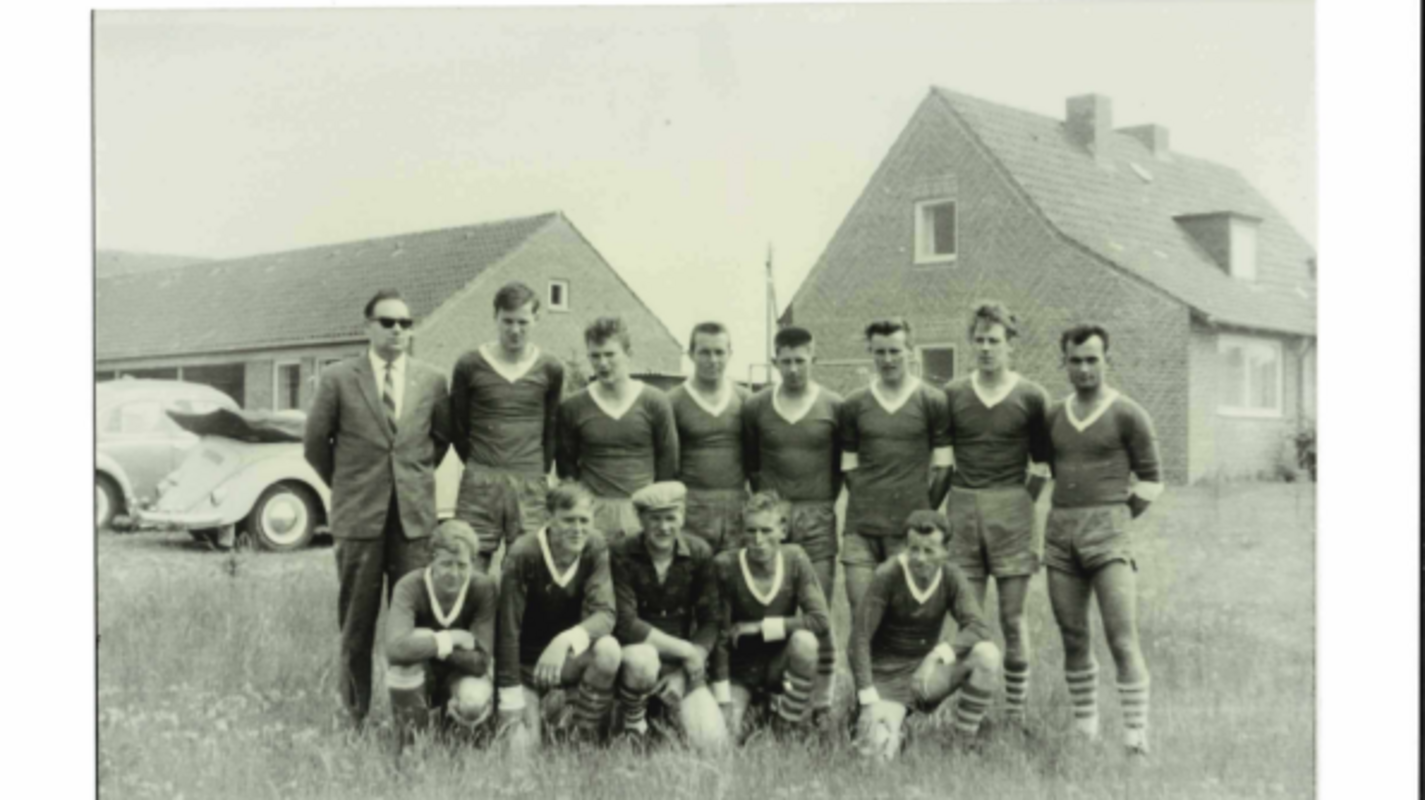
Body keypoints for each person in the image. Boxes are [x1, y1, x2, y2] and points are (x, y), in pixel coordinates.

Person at [304, 288, 452, 727]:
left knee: (415, 623)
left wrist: (409, 480)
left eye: (405, 323)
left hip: (413, 522)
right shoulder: (338, 378)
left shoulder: (432, 379)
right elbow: (315, 445)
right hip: (359, 520)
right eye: (387, 322)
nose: (397, 330)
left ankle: (414, 718)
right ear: (367, 327)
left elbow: (439, 441)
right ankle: (353, 716)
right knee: (357, 623)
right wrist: (350, 486)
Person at [1044, 324, 1163, 755]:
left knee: (1121, 638)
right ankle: (1085, 731)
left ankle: (1135, 738)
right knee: (1073, 636)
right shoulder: (1054, 415)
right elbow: (1051, 469)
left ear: (1107, 361)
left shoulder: (1128, 413)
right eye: (1075, 360)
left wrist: (1116, 516)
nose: (1084, 369)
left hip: (1109, 535)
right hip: (1061, 534)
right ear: (1064, 362)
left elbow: (1151, 480)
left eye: (1092, 360)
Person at [941, 302, 1052, 725]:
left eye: (994, 341)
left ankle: (1015, 713)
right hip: (964, 508)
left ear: (1010, 346)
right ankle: (969, 714)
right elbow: (941, 459)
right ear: (971, 344)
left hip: (1012, 510)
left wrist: (1020, 501)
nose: (986, 348)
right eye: (980, 340)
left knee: (1012, 617)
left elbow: (1042, 464)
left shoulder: (1031, 396)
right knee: (969, 620)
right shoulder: (953, 394)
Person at [740, 327, 844, 720]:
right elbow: (752, 465)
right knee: (771, 602)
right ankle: (772, 694)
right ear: (775, 361)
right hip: (772, 518)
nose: (794, 368)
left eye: (801, 360)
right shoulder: (756, 406)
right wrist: (773, 508)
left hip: (817, 514)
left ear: (814, 359)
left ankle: (821, 703)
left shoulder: (834, 405)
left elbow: (838, 469)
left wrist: (818, 502)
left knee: (818, 611)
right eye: (786, 361)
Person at [850, 511, 1000, 759]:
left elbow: (978, 626)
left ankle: (962, 742)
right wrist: (867, 699)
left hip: (925, 674)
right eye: (914, 549)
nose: (920, 558)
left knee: (987, 654)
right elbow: (859, 640)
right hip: (886, 679)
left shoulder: (951, 575)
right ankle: (889, 727)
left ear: (946, 551)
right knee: (874, 755)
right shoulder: (888, 574)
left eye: (929, 551)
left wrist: (935, 656)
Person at [495, 482, 622, 752]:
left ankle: (582, 733)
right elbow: (507, 629)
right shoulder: (523, 553)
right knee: (520, 753)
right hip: (526, 667)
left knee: (608, 650)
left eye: (584, 520)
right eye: (568, 520)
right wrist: (509, 695)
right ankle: (539, 714)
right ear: (548, 518)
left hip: (566, 661)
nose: (577, 528)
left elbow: (605, 613)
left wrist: (565, 640)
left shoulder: (594, 546)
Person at [449, 281, 565, 573]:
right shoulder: (469, 364)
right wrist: (481, 464)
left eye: (523, 322)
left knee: (527, 570)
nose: (515, 330)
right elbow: (458, 426)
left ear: (536, 319)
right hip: (480, 482)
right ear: (495, 317)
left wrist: (536, 470)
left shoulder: (551, 367)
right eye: (508, 321)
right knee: (468, 566)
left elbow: (552, 428)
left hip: (530, 482)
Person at [839, 319, 953, 615]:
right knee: (862, 614)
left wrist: (923, 513)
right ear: (871, 353)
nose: (887, 359)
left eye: (895, 351)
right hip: (860, 529)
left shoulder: (932, 400)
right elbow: (848, 467)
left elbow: (944, 468)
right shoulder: (854, 403)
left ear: (910, 351)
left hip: (908, 532)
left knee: (903, 617)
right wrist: (869, 497)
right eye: (880, 352)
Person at [609, 481, 728, 750]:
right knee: (642, 660)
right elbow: (626, 623)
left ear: (682, 517)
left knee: (712, 743)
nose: (663, 527)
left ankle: (664, 718)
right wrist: (686, 650)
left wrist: (685, 671)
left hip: (681, 666)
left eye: (671, 518)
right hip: (635, 661)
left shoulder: (698, 553)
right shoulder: (621, 552)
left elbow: (711, 620)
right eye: (655, 519)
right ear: (640, 519)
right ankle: (632, 727)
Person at [711, 491, 831, 742]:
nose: (758, 540)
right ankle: (757, 705)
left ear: (783, 531)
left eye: (766, 531)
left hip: (779, 663)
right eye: (751, 531)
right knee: (723, 738)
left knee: (805, 642)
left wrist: (761, 627)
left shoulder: (795, 558)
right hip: (740, 669)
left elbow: (820, 620)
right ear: (741, 532)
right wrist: (723, 700)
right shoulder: (726, 565)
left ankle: (786, 722)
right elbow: (720, 638)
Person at [557, 316, 679, 543]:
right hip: (593, 514)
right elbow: (566, 467)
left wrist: (653, 510)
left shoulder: (655, 401)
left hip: (641, 512)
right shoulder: (573, 406)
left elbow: (667, 462)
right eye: (595, 356)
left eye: (610, 354)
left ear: (628, 354)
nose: (603, 364)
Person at [384, 520, 498, 741]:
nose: (454, 573)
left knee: (473, 699)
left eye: (462, 565)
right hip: (423, 674)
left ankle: (454, 733)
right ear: (431, 559)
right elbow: (395, 649)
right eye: (446, 564)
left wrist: (427, 645)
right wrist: (450, 638)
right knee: (402, 666)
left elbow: (481, 662)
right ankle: (413, 741)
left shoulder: (483, 588)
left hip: (460, 675)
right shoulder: (410, 586)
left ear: (473, 562)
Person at [668, 322, 750, 553]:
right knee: (694, 572)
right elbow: (667, 462)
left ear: (730, 354)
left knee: (733, 571)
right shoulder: (672, 401)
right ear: (691, 354)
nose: (712, 360)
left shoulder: (745, 399)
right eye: (704, 352)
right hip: (692, 507)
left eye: (719, 352)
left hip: (736, 506)